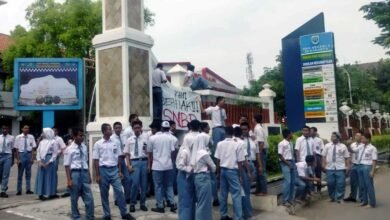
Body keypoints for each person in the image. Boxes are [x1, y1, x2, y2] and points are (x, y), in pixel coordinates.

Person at [93, 123, 135, 220]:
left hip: (114, 170)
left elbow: (119, 158)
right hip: (103, 170)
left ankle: (124, 213)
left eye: (111, 129)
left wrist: (120, 171)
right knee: (104, 194)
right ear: (104, 131)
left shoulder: (115, 142)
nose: (111, 131)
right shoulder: (98, 144)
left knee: (119, 191)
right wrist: (97, 175)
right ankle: (107, 214)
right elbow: (96, 160)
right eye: (109, 129)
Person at [215, 126, 245, 220]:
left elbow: (218, 160)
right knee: (236, 195)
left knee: (223, 194)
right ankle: (238, 217)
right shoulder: (238, 144)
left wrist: (218, 172)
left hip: (223, 170)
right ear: (233, 134)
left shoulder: (220, 144)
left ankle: (223, 215)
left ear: (225, 133)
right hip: (233, 171)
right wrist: (240, 175)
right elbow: (240, 162)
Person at [63, 128, 94, 220]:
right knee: (74, 197)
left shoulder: (84, 147)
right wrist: (69, 180)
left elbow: (85, 161)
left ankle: (90, 217)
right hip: (75, 173)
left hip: (84, 172)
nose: (82, 137)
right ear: (74, 136)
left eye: (83, 135)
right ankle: (76, 216)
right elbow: (67, 165)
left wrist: (88, 174)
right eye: (80, 135)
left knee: (89, 197)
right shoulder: (69, 149)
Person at [148, 121, 177, 213]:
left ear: (161, 128)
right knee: (169, 185)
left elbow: (149, 153)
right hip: (168, 165)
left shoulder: (152, 138)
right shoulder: (172, 138)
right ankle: (172, 203)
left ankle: (160, 205)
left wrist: (149, 165)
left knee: (158, 186)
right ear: (169, 128)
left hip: (157, 166)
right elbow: (173, 153)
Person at [191, 120, 216, 220]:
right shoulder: (204, 153)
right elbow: (213, 167)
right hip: (204, 177)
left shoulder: (196, 152)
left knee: (201, 202)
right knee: (204, 203)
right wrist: (211, 166)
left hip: (197, 178)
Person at [176, 120, 199, 220]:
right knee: (185, 201)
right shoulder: (184, 152)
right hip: (184, 176)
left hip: (191, 176)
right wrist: (189, 169)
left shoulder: (194, 152)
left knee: (192, 200)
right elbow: (180, 165)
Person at [125, 120, 149, 212]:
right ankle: (132, 203)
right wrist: (128, 165)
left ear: (141, 128)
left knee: (144, 184)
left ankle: (142, 204)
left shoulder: (145, 139)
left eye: (139, 127)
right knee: (135, 184)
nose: (137, 129)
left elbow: (149, 153)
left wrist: (148, 165)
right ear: (132, 129)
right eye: (135, 128)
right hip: (134, 162)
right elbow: (127, 154)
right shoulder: (129, 140)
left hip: (144, 161)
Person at [322, 132, 350, 203]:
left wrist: (348, 167)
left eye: (334, 136)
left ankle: (339, 198)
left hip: (340, 168)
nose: (332, 138)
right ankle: (332, 197)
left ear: (338, 138)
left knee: (340, 184)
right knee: (330, 183)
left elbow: (347, 157)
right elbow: (324, 156)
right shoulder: (327, 146)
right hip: (329, 168)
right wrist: (323, 164)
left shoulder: (343, 146)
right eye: (331, 136)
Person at [239, 123, 258, 219]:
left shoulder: (253, 140)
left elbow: (257, 153)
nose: (244, 131)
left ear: (248, 129)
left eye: (246, 129)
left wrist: (260, 165)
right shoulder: (238, 141)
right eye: (242, 129)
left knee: (248, 191)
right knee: (245, 191)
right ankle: (247, 214)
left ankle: (246, 212)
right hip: (244, 166)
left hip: (252, 165)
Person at [35, 128, 59, 200]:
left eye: (44, 132)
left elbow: (55, 153)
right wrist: (39, 161)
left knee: (49, 177)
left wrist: (50, 161)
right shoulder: (42, 142)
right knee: (41, 176)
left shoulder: (53, 142)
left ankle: (50, 193)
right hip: (42, 160)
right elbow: (38, 151)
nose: (42, 134)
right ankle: (40, 194)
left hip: (49, 159)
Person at [111, 122, 131, 205]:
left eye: (119, 127)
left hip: (124, 160)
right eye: (116, 128)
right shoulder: (112, 138)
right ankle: (117, 199)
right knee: (117, 181)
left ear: (121, 128)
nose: (118, 129)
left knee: (127, 179)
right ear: (114, 129)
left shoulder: (124, 136)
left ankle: (127, 197)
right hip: (116, 161)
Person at [201, 122, 220, 206]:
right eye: (208, 127)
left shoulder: (197, 137)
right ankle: (215, 198)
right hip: (208, 160)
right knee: (213, 180)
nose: (209, 129)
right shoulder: (208, 137)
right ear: (204, 128)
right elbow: (212, 150)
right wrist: (215, 162)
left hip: (200, 162)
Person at [14, 125, 36, 195]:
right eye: (25, 128)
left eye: (28, 128)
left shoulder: (31, 137)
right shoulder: (18, 137)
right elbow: (16, 149)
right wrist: (18, 159)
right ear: (22, 129)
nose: (27, 129)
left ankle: (28, 189)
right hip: (21, 154)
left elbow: (33, 148)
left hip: (29, 155)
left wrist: (32, 158)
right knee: (20, 174)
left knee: (28, 173)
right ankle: (19, 190)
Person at [357, 132, 377, 208]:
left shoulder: (372, 148)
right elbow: (353, 150)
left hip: (367, 167)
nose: (361, 139)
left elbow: (374, 160)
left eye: (363, 138)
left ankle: (372, 203)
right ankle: (364, 201)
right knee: (362, 185)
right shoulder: (361, 146)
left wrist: (372, 171)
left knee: (369, 185)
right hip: (360, 166)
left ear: (368, 139)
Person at [278, 129, 296, 206]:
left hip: (292, 161)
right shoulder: (281, 144)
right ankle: (285, 200)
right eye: (291, 133)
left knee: (292, 182)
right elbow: (280, 155)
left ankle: (290, 199)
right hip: (285, 163)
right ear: (288, 134)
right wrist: (287, 163)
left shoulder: (291, 143)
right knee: (287, 181)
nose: (292, 134)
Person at [344, 132, 363, 202]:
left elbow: (353, 151)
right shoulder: (352, 144)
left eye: (359, 136)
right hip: (354, 165)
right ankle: (352, 197)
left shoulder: (363, 145)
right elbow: (349, 155)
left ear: (361, 137)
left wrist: (348, 145)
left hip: (361, 165)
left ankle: (362, 198)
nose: (357, 137)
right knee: (353, 182)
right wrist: (348, 165)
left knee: (361, 183)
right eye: (356, 136)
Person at [253, 114, 268, 196]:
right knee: (258, 171)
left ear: (254, 119)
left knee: (261, 170)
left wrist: (259, 153)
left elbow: (261, 142)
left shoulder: (257, 128)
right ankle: (258, 189)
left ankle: (263, 190)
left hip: (261, 151)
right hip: (261, 151)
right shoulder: (259, 127)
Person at [0, 125, 15, 198]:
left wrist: (12, 160)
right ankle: (3, 187)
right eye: (3, 129)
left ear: (8, 129)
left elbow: (12, 149)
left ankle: (3, 191)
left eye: (6, 128)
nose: (4, 130)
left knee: (5, 174)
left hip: (7, 156)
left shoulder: (11, 137)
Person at [52, 127, 66, 197]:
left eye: (55, 131)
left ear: (57, 132)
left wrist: (58, 153)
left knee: (54, 173)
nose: (53, 132)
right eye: (52, 131)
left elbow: (63, 147)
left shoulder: (59, 139)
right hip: (48, 157)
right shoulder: (48, 138)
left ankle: (54, 188)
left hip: (55, 158)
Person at [310, 127, 324, 192]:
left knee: (318, 173)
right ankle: (311, 190)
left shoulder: (319, 140)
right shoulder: (308, 139)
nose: (310, 132)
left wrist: (321, 160)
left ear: (315, 132)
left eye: (312, 131)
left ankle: (319, 189)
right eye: (310, 131)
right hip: (310, 157)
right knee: (310, 173)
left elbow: (322, 149)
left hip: (318, 157)